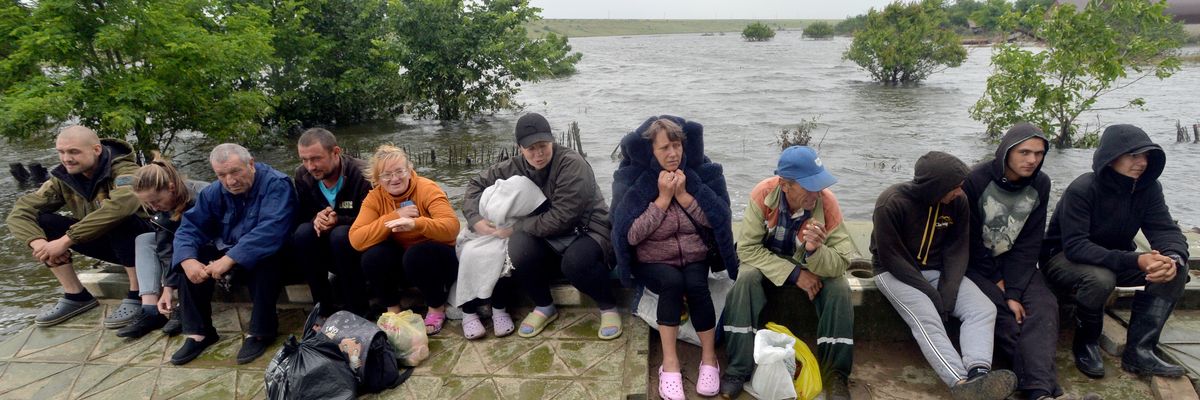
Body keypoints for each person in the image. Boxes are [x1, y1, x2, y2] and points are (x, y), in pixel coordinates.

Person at [1042, 124, 1190, 378]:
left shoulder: (1148, 189)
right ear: (1111, 158)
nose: (1142, 163)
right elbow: (1076, 246)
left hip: (1114, 257)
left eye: (1146, 156)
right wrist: (1136, 260)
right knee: (1101, 278)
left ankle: (1140, 351)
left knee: (1175, 269)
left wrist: (1172, 258)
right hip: (1063, 258)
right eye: (1133, 156)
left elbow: (1165, 230)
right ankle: (1086, 342)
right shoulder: (1083, 188)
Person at [871, 151, 1016, 400]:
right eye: (955, 187)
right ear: (935, 186)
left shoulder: (958, 203)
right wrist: (931, 295)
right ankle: (959, 383)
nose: (959, 192)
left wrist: (948, 292)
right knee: (927, 318)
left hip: (938, 271)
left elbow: (957, 250)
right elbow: (891, 257)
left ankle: (979, 374)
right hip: (895, 272)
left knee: (983, 309)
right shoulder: (891, 203)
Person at [462, 112, 621, 340]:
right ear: (520, 149)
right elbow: (476, 183)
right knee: (518, 248)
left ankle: (608, 306)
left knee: (575, 262)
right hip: (547, 234)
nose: (538, 154)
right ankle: (544, 305)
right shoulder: (516, 165)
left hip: (587, 230)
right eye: (531, 149)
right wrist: (474, 218)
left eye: (543, 146)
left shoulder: (572, 164)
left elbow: (562, 217)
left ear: (552, 141)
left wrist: (516, 227)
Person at [611, 117, 738, 400]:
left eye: (677, 145)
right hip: (653, 259)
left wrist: (684, 196)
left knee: (695, 283)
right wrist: (663, 200)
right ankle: (670, 364)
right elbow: (629, 234)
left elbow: (717, 221)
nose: (672, 154)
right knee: (671, 282)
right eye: (664, 148)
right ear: (651, 152)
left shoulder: (704, 172)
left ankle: (708, 358)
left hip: (694, 253)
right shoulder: (632, 178)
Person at [719, 145, 855, 400]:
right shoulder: (763, 195)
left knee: (839, 287)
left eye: (819, 184)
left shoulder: (827, 204)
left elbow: (841, 261)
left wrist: (815, 252)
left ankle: (835, 375)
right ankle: (738, 368)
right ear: (785, 184)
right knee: (745, 279)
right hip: (769, 266)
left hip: (810, 266)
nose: (816, 192)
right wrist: (794, 274)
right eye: (808, 186)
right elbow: (747, 249)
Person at [6, 125, 152, 328]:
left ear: (96, 150)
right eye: (61, 152)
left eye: (74, 151)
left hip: (148, 246)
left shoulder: (127, 170)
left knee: (119, 217)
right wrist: (40, 245)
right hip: (108, 244)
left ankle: (137, 293)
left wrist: (65, 241)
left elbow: (123, 206)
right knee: (43, 221)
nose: (66, 158)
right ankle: (76, 295)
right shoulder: (63, 178)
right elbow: (21, 211)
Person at [170, 143, 296, 365]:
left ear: (251, 163)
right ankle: (199, 332)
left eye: (235, 171)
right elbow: (189, 228)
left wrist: (229, 259)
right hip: (229, 253)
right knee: (190, 257)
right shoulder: (212, 193)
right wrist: (188, 261)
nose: (230, 181)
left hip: (275, 257)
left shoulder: (276, 184)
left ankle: (261, 331)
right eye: (222, 175)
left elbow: (272, 229)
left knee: (266, 257)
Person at [963, 123, 1062, 399]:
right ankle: (1043, 389)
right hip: (977, 265)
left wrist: (1015, 289)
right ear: (1006, 152)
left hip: (1018, 263)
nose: (1032, 160)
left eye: (1039, 153)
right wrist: (999, 283)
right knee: (1006, 316)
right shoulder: (975, 181)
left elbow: (1030, 243)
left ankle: (1038, 390)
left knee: (1044, 306)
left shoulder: (1040, 184)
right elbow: (967, 241)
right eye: (1025, 152)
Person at [348, 145, 460, 335]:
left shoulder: (427, 188)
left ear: (409, 169)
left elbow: (452, 228)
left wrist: (417, 224)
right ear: (377, 179)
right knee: (373, 256)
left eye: (399, 171)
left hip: (437, 262)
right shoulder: (374, 198)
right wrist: (393, 217)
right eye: (386, 175)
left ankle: (436, 307)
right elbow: (356, 239)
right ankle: (393, 309)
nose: (395, 179)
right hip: (404, 264)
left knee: (416, 254)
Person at [118, 157, 210, 338]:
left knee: (185, 249)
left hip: (206, 246)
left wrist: (171, 287)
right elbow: (165, 247)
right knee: (144, 240)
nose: (153, 207)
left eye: (156, 201)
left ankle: (181, 305)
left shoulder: (201, 197)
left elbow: (187, 244)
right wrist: (167, 287)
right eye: (148, 204)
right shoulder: (161, 205)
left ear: (171, 187)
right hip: (181, 244)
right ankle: (150, 309)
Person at [292, 128, 372, 317]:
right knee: (303, 233)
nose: (310, 166)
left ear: (336, 152)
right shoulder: (302, 175)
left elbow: (371, 219)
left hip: (356, 247)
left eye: (316, 159)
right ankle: (323, 308)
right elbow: (305, 214)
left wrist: (338, 220)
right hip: (326, 247)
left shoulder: (362, 174)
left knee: (340, 234)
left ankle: (358, 310)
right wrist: (316, 218)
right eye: (304, 159)